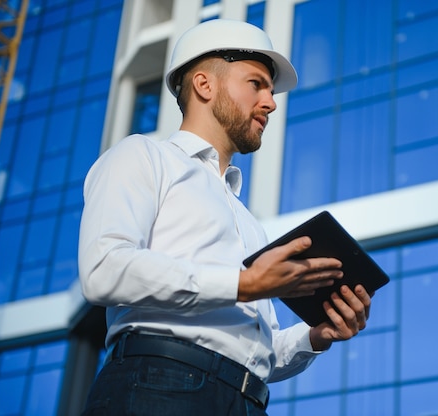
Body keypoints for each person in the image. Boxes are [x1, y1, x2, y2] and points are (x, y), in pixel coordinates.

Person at [78, 19, 373, 416]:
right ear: (204, 85)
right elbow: (103, 269)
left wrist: (316, 336)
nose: (270, 102)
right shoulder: (142, 157)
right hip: (159, 386)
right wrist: (244, 283)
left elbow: (253, 352)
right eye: (257, 84)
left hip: (247, 400)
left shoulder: (248, 220)